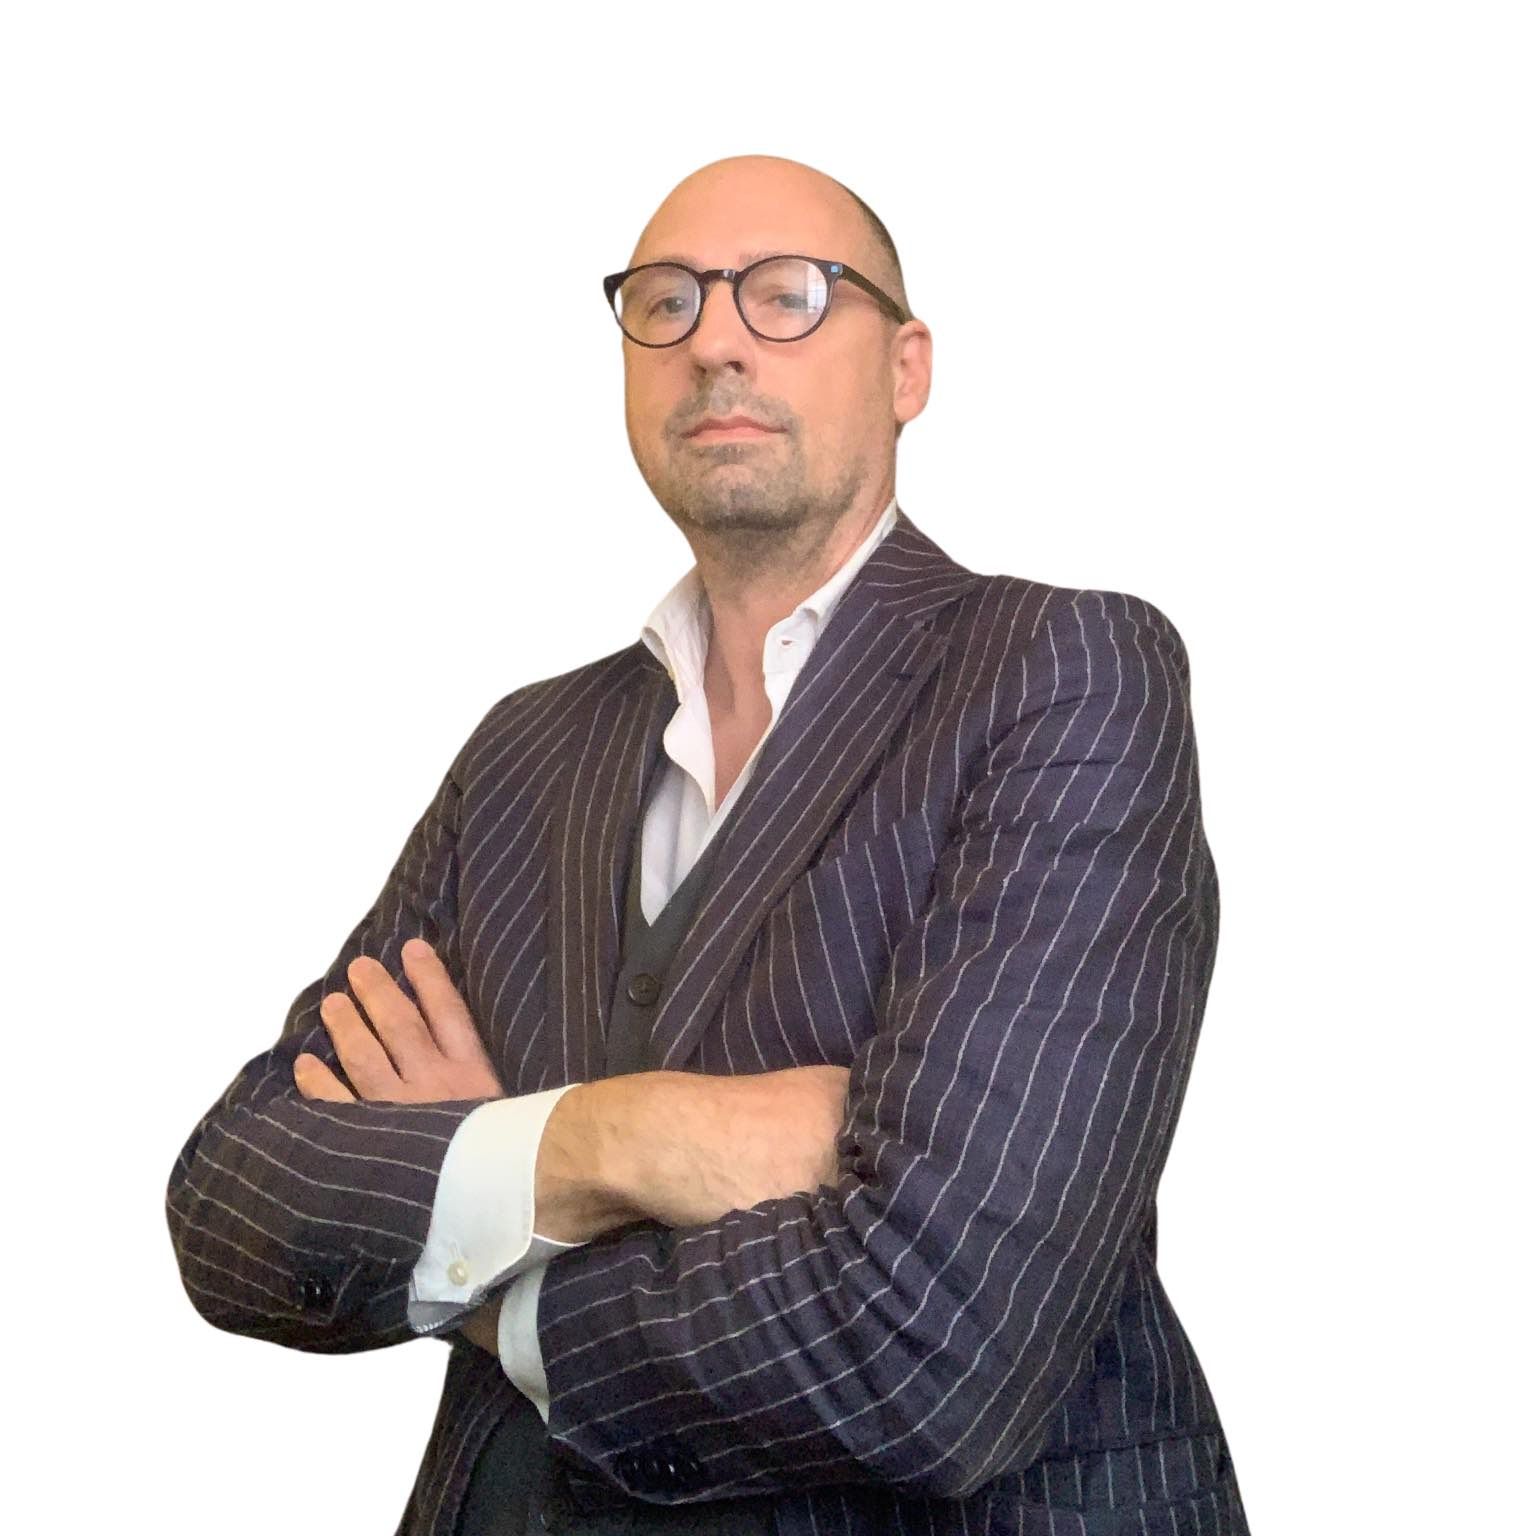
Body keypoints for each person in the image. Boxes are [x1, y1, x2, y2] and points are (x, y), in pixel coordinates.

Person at [166, 153, 1250, 1536]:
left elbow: (941, 1347)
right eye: (665, 301)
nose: (716, 341)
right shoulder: (526, 749)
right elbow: (240, 1203)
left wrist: (486, 1237)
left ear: (906, 368)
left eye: (788, 296)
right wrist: (619, 1140)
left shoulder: (1062, 673)